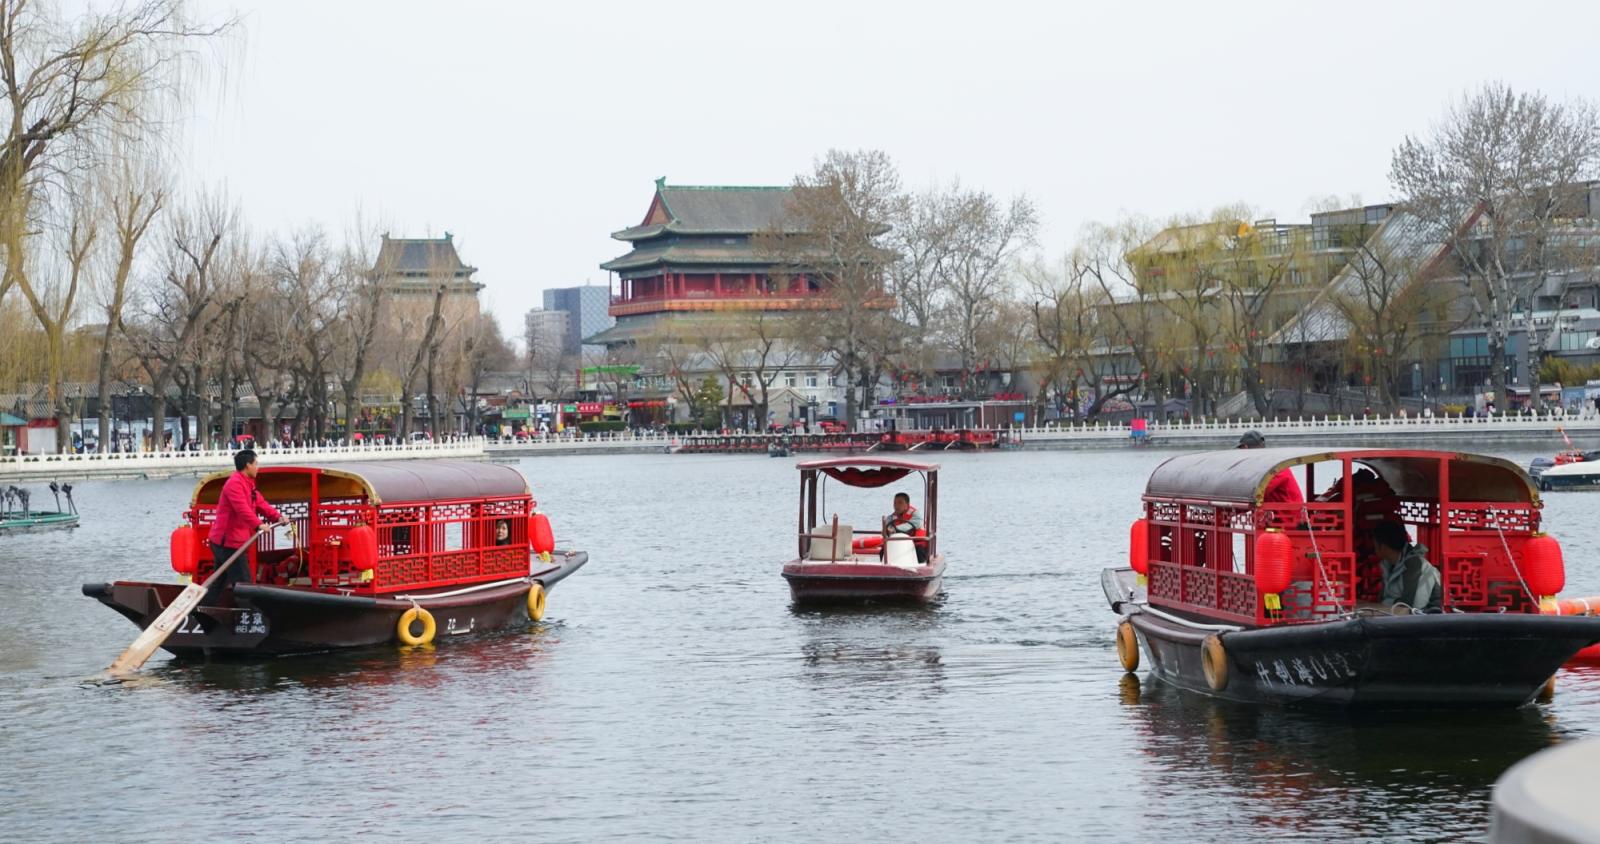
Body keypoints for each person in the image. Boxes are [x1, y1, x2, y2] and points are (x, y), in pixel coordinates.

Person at [206, 449, 288, 606]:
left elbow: (261, 503)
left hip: (230, 542)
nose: (258, 467)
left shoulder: (248, 483)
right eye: (256, 464)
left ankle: (201, 609)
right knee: (244, 583)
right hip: (227, 543)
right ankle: (249, 614)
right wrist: (259, 524)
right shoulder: (234, 484)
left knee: (219, 582)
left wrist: (277, 517)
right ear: (248, 465)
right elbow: (242, 509)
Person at [1374, 520, 1441, 613]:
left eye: (1374, 545)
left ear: (1383, 547)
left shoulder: (1415, 565)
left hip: (1431, 617)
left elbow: (1412, 606)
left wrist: (1389, 603)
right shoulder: (1389, 566)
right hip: (1396, 616)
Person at [1237, 430, 1303, 504]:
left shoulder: (1274, 467)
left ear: (1245, 447)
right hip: (1275, 509)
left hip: (1289, 510)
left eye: (1241, 450)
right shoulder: (1263, 465)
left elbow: (1258, 492)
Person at [884, 492, 928, 563]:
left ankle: (921, 567)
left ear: (907, 505)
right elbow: (887, 528)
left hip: (916, 544)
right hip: (898, 545)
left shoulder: (916, 515)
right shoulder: (891, 518)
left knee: (919, 551)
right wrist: (886, 530)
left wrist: (895, 529)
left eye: (900, 503)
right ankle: (884, 566)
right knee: (883, 551)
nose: (896, 506)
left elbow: (914, 524)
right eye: (895, 503)